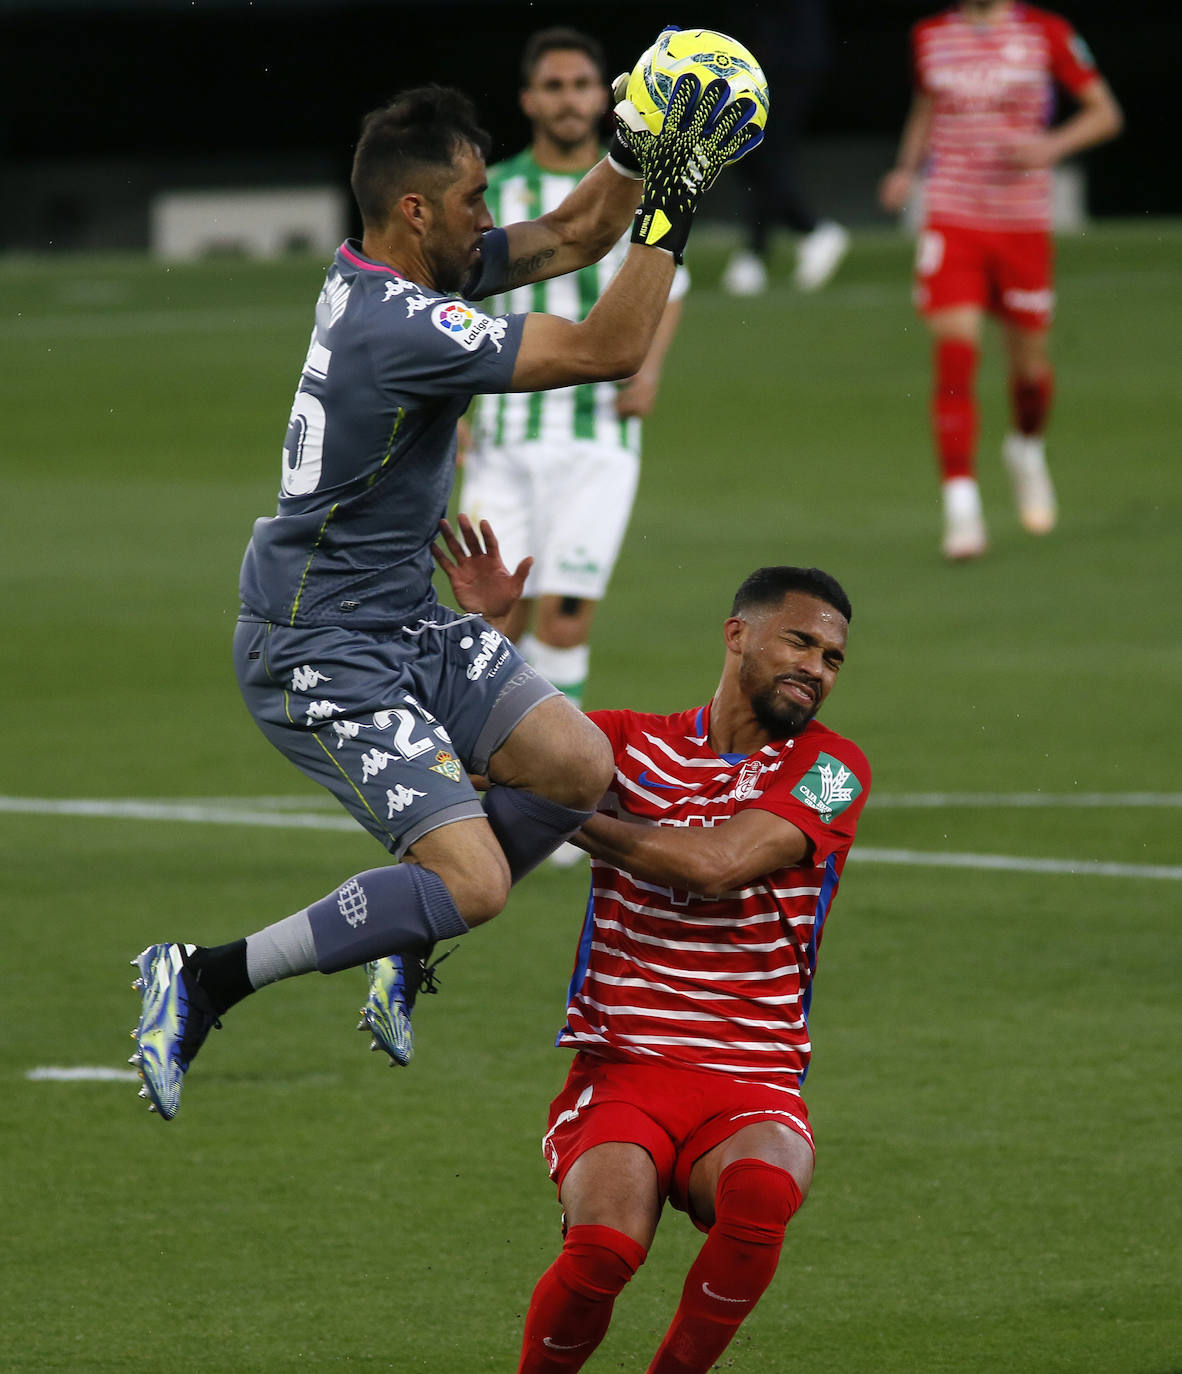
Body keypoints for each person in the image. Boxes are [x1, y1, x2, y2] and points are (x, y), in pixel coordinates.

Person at [128, 67, 764, 1121]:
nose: (492, 216)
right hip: (317, 645)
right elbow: (608, 348)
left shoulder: (404, 274)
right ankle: (201, 978)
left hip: (402, 612)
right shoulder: (399, 327)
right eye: (474, 199)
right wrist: (678, 202)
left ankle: (403, 931)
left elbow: (568, 234)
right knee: (475, 882)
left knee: (575, 767)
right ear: (415, 210)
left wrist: (637, 145)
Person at [431, 516, 870, 1374]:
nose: (816, 670)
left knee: (760, 1200)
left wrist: (566, 814)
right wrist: (489, 634)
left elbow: (718, 866)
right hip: (623, 1069)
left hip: (752, 1075)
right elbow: (463, 756)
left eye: (832, 660)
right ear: (737, 634)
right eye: (801, 643)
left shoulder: (831, 768)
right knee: (602, 1253)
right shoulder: (626, 745)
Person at [462, 27, 688, 722]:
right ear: (530, 100)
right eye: (554, 86)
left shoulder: (633, 191)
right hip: (502, 436)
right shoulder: (494, 192)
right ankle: (491, 784)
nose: (569, 99)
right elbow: (455, 299)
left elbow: (668, 284)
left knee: (563, 620)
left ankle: (550, 804)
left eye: (582, 85)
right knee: (494, 626)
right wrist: (461, 408)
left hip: (598, 436)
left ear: (603, 96)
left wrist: (648, 368)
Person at [878, 0, 1122, 559]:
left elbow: (1104, 112)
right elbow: (926, 108)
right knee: (956, 355)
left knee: (1031, 371)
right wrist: (906, 169)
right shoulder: (931, 36)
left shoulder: (1047, 33)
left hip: (1021, 224)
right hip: (953, 217)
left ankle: (1026, 448)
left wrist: (1050, 146)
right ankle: (961, 509)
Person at [721, 0, 851, 295]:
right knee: (755, 154)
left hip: (787, 59)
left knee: (761, 152)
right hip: (769, 55)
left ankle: (803, 233)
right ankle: (761, 251)